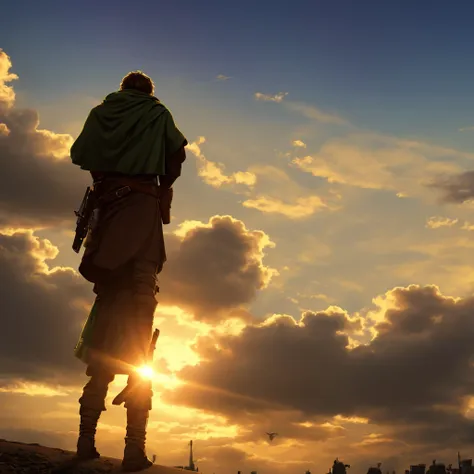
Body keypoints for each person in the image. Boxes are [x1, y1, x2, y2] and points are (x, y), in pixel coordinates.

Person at [69, 70, 187, 471]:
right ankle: (133, 451)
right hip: (140, 210)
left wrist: (106, 179)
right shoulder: (157, 113)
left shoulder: (104, 111)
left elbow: (81, 153)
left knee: (103, 343)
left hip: (107, 219)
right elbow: (177, 154)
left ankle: (85, 443)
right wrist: (161, 182)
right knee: (141, 344)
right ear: (149, 92)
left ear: (122, 90)